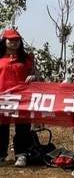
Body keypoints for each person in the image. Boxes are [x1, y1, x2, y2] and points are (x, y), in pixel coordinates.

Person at [0, 28, 35, 167]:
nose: (14, 43)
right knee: (1, 126)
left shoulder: (27, 59)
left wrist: (33, 77)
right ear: (4, 41)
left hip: (22, 98)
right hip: (2, 97)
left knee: (22, 127)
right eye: (11, 40)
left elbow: (35, 75)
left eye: (17, 40)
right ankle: (1, 154)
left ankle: (21, 154)